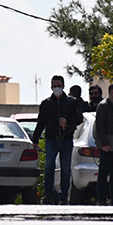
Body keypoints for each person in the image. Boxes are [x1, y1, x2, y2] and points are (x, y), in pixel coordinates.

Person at [32, 75, 83, 204]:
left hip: (66, 140)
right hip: (51, 140)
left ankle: (63, 196)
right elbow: (41, 122)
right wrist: (35, 139)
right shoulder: (47, 103)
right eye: (55, 86)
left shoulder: (71, 102)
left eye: (59, 86)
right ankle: (48, 195)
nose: (57, 88)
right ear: (51, 87)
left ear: (63, 86)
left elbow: (79, 119)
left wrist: (67, 122)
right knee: (49, 166)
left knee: (65, 169)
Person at [94, 83, 113, 205]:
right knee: (104, 172)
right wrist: (104, 144)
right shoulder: (103, 106)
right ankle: (102, 198)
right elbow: (100, 126)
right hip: (107, 144)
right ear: (112, 92)